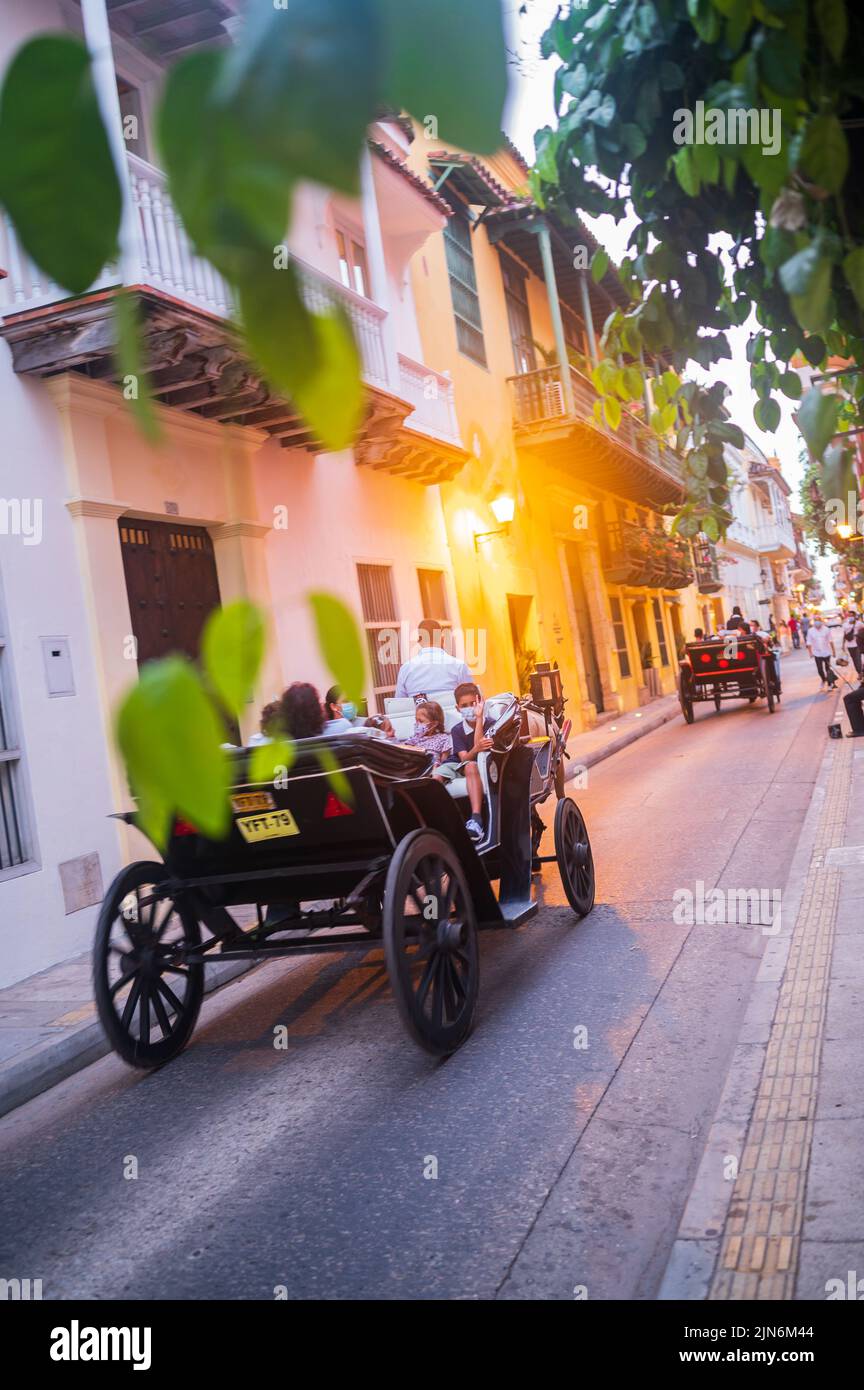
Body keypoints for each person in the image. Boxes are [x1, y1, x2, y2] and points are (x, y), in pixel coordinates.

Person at [435, 682, 494, 841]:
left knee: (471, 766)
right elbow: (463, 757)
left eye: (473, 704)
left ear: (480, 701)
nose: (469, 708)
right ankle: (441, 821)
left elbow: (476, 754)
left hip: (479, 764)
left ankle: (476, 820)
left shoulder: (491, 724)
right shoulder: (457, 730)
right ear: (457, 708)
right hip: (458, 761)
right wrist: (476, 748)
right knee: (435, 778)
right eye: (464, 705)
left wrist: (480, 717)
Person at [394, 618, 472, 701]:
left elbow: (399, 703)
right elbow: (472, 698)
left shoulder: (406, 669)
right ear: (442, 639)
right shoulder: (459, 665)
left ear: (419, 641)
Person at [401, 700, 453, 767]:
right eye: (416, 720)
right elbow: (401, 750)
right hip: (414, 765)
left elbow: (444, 762)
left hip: (431, 767)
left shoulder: (443, 738)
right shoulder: (415, 737)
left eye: (421, 721)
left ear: (434, 724)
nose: (417, 724)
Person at [806, 615, 838, 692]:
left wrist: (833, 651)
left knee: (828, 669)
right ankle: (823, 680)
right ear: (814, 621)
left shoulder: (826, 629)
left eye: (818, 620)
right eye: (815, 620)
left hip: (826, 652)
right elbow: (809, 642)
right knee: (820, 669)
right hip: (817, 653)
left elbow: (831, 641)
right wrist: (810, 653)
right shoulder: (810, 631)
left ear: (821, 621)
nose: (817, 621)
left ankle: (830, 684)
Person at [842, 610, 862, 675]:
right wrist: (843, 645)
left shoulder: (859, 623)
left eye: (852, 616)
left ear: (854, 616)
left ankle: (861, 673)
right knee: (854, 660)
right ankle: (859, 672)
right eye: (849, 616)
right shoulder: (845, 625)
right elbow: (844, 635)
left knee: (858, 659)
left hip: (858, 645)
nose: (850, 617)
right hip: (850, 646)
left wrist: (859, 635)